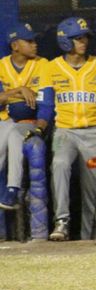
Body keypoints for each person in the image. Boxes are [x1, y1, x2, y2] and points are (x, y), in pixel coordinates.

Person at [39, 17, 96, 241]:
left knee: (92, 185)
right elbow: (46, 104)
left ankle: (90, 234)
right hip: (64, 132)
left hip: (93, 133)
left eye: (85, 37)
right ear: (65, 41)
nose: (84, 42)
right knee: (59, 164)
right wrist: (39, 125)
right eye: (78, 38)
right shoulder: (51, 67)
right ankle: (62, 222)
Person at [0, 22, 50, 210]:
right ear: (15, 45)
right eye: (29, 41)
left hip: (28, 122)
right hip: (6, 120)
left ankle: (13, 188)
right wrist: (19, 90)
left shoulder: (42, 64)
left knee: (14, 133)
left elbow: (46, 101)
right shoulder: (2, 66)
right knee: (7, 131)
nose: (34, 44)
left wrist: (40, 127)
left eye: (34, 41)